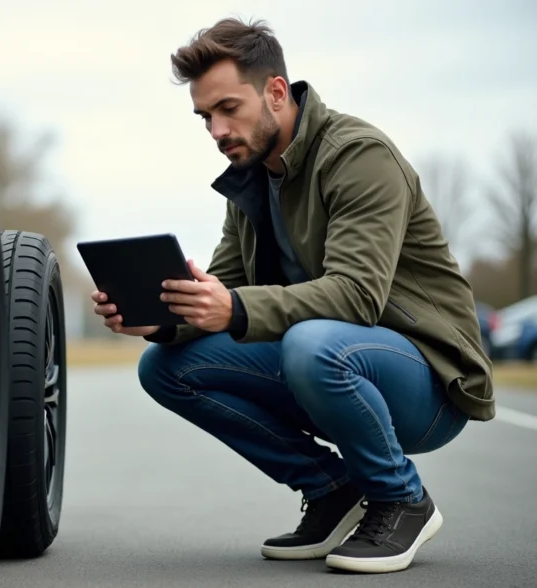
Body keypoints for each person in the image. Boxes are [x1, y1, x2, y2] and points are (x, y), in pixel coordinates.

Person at [91, 17, 494, 574]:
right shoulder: (250, 180)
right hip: (330, 363)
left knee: (311, 343)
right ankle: (332, 489)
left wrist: (232, 307)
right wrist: (159, 319)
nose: (216, 130)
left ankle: (402, 499)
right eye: (205, 116)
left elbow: (356, 297)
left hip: (426, 381)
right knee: (164, 366)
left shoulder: (360, 157)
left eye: (229, 108)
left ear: (276, 92)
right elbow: (227, 291)